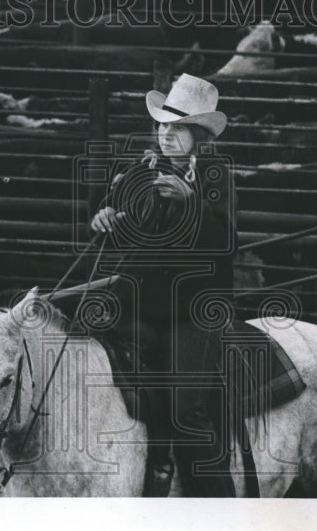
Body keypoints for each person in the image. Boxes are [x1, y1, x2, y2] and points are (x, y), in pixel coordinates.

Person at [89, 73, 237, 497]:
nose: (166, 135)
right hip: (145, 303)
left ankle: (217, 503)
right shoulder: (143, 170)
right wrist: (104, 217)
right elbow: (117, 216)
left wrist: (191, 203)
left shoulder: (215, 176)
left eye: (178, 128)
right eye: (162, 126)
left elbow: (226, 244)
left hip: (194, 309)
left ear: (198, 137)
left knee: (186, 409)